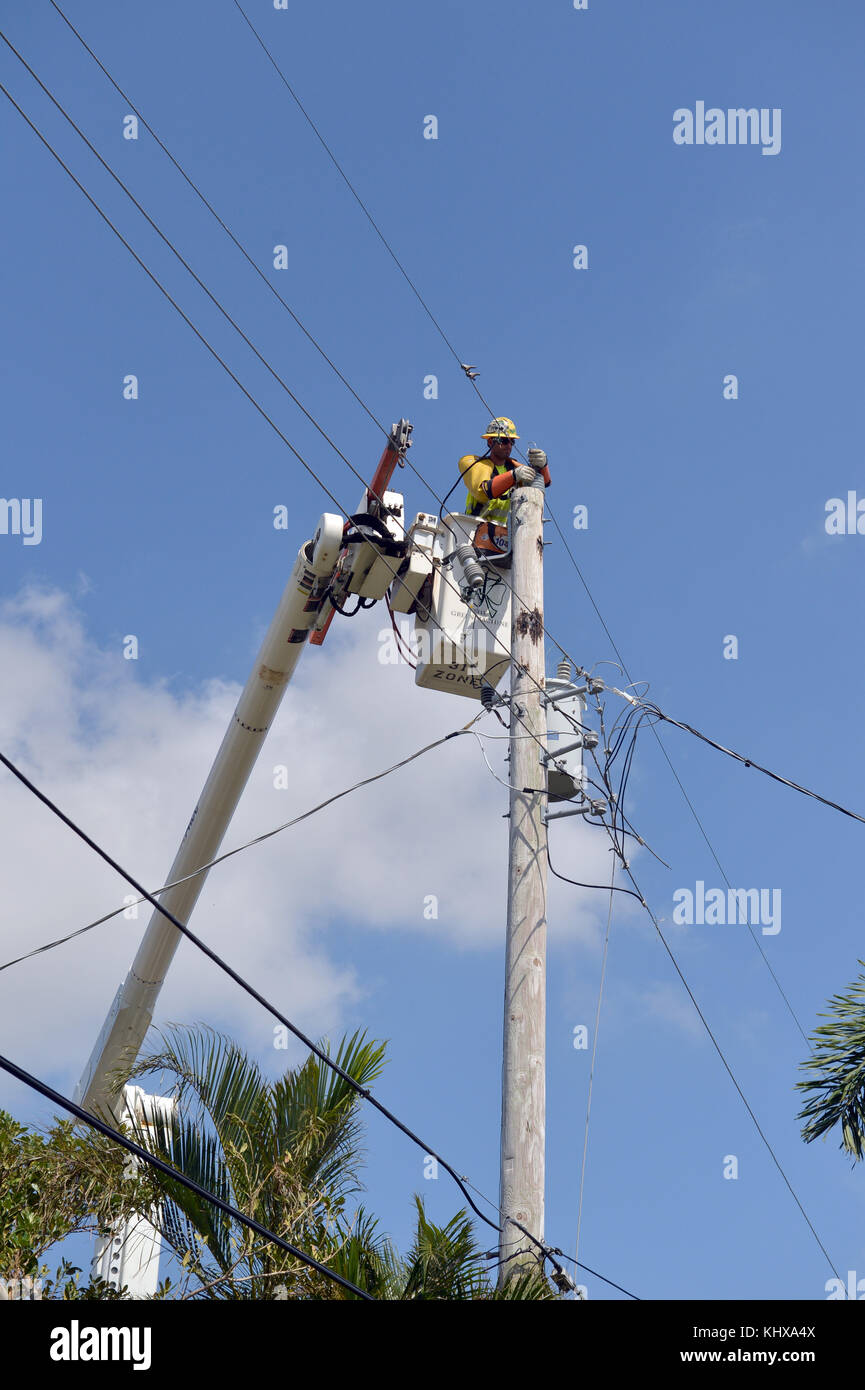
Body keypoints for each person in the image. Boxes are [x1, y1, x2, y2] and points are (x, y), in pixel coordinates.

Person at [458, 418, 550, 555]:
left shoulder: (513, 468)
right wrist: (513, 476)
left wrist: (543, 465)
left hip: (503, 537)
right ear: (490, 442)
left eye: (512, 442)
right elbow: (483, 491)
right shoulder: (476, 465)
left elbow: (543, 483)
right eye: (505, 441)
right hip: (474, 531)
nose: (509, 446)